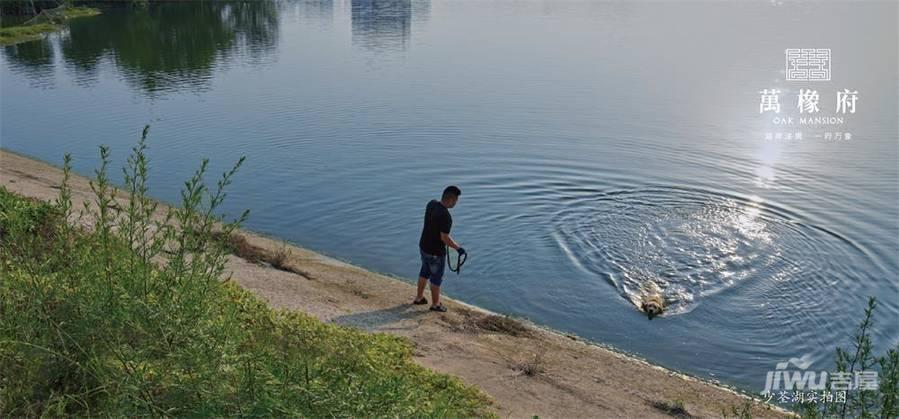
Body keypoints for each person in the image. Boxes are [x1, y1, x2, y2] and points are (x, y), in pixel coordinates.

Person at [413, 185, 465, 312]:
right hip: (436, 253)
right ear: (452, 200)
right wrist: (458, 248)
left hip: (423, 246)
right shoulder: (446, 217)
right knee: (436, 278)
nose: (456, 203)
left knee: (424, 272)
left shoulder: (431, 204)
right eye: (456, 200)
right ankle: (435, 304)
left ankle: (419, 298)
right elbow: (444, 238)